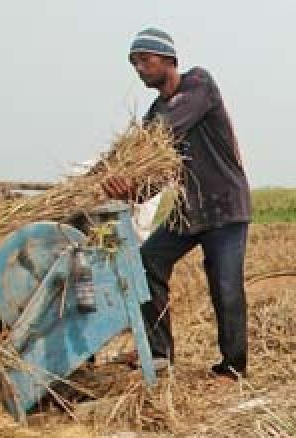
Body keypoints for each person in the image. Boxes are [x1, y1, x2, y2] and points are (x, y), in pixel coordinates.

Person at [102, 28, 252, 380]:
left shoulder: (199, 85)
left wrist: (123, 161)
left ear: (169, 59)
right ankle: (160, 354)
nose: (139, 68)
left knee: (225, 283)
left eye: (145, 60)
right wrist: (126, 187)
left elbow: (164, 133)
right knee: (148, 260)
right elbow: (155, 176)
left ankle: (233, 366)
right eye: (134, 63)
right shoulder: (154, 112)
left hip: (225, 207)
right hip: (188, 211)